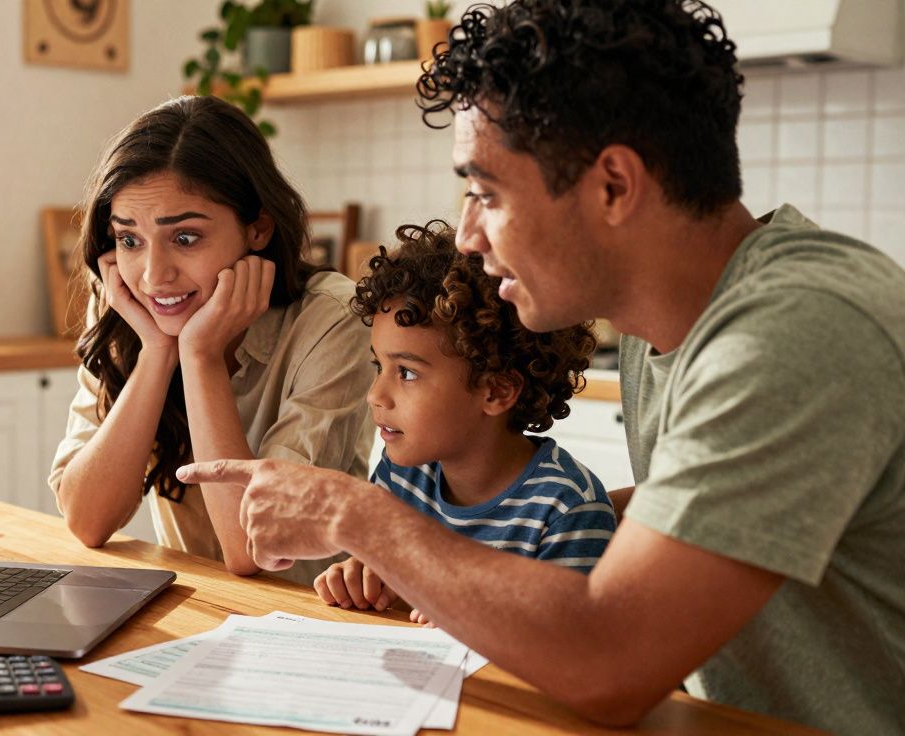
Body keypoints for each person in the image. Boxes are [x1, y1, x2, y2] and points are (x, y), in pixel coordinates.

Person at [178, 1, 905, 732]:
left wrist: (353, 515)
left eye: (486, 194)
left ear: (614, 185)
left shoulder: (793, 333)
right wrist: (483, 543)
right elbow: (712, 510)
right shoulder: (686, 326)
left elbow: (611, 662)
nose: (468, 236)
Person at [47, 95, 373, 586]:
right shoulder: (132, 312)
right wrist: (157, 354)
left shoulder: (332, 320)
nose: (154, 276)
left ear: (257, 228)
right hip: (197, 607)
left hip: (309, 619)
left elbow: (252, 549)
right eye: (130, 240)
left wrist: (198, 356)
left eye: (184, 238)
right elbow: (87, 521)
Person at [314, 221, 614, 619]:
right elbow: (394, 596)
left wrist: (472, 623)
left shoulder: (565, 510)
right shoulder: (403, 477)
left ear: (496, 391)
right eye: (377, 366)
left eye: (406, 373)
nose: (375, 395)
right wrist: (364, 582)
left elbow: (573, 655)